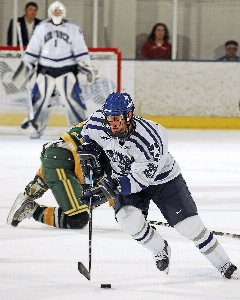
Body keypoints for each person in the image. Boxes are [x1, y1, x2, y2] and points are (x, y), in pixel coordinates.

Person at [80, 92, 240, 280]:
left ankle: (224, 263)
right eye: (109, 118)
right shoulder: (98, 122)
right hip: (124, 176)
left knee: (189, 226)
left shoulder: (151, 138)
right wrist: (90, 150)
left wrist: (110, 188)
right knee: (127, 218)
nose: (112, 123)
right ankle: (160, 249)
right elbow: (87, 134)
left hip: (164, 180)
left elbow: (139, 181)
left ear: (129, 115)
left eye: (116, 119)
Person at [12, 1, 97, 139]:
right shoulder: (42, 27)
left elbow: (80, 48)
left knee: (73, 101)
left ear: (63, 12)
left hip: (67, 70)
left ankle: (80, 130)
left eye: (59, 10)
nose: (57, 13)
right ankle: (36, 128)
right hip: (46, 70)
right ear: (50, 12)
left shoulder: (73, 27)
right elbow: (33, 48)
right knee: (39, 101)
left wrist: (87, 65)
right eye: (54, 10)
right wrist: (26, 65)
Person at [6, 122, 112, 229]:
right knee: (77, 219)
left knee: (88, 198)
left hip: (60, 155)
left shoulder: (104, 119)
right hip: (64, 160)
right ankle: (32, 209)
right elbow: (112, 178)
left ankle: (32, 191)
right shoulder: (116, 133)